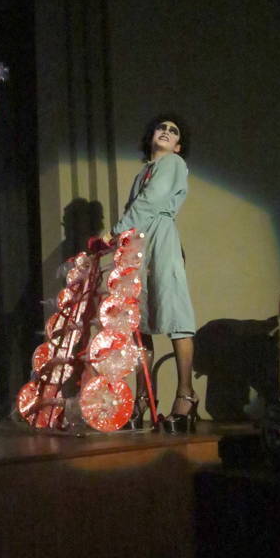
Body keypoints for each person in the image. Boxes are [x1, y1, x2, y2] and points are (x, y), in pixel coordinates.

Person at [103, 114, 197, 433]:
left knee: (175, 314)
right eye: (162, 127)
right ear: (151, 135)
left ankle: (186, 396)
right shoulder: (144, 170)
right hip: (139, 241)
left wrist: (115, 232)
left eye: (174, 130)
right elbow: (137, 204)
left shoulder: (173, 163)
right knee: (139, 321)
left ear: (179, 145)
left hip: (160, 238)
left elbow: (152, 200)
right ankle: (144, 399)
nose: (166, 132)